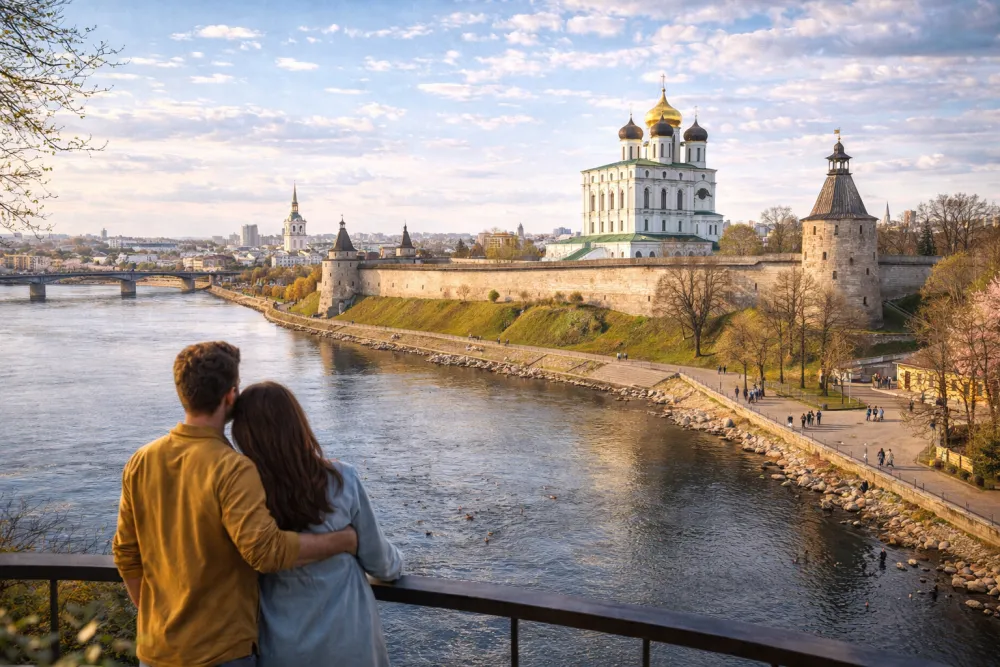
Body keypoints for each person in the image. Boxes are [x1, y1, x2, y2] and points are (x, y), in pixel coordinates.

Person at [112, 342, 359, 667]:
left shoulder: (141, 461)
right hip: (221, 651)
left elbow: (126, 555)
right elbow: (265, 551)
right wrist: (343, 540)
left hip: (156, 650)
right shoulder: (232, 468)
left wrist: (158, 619)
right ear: (230, 397)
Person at [232, 382, 403, 667]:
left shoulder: (243, 494)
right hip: (350, 641)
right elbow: (381, 563)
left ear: (244, 435)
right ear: (298, 424)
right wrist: (395, 559)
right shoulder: (342, 479)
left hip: (282, 646)